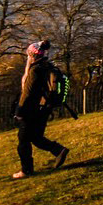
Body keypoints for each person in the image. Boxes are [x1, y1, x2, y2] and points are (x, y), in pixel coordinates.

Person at [12, 40, 71, 179]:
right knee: (36, 137)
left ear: (32, 55)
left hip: (31, 110)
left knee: (23, 140)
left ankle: (26, 170)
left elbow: (27, 93)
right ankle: (59, 150)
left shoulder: (34, 71)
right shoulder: (46, 67)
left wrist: (19, 112)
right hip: (44, 108)